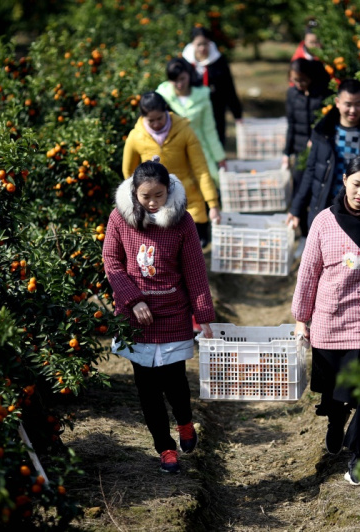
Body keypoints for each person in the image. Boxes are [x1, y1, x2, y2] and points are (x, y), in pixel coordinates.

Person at [291, 155, 360, 485]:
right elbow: (309, 273)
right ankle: (335, 420)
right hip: (331, 317)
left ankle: (358, 455)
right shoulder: (324, 222)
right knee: (337, 391)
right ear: (344, 181)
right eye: (356, 184)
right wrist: (302, 319)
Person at [103, 158, 216, 474]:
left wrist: (203, 314)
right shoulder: (120, 219)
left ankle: (185, 422)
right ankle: (165, 448)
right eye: (145, 197)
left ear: (169, 191)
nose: (152, 203)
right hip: (135, 319)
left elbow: (194, 270)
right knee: (147, 389)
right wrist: (133, 299)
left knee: (175, 381)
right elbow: (111, 263)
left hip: (173, 314)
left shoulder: (182, 222)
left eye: (159, 196)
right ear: (134, 193)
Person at [287, 79, 360, 230]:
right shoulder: (323, 132)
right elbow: (311, 171)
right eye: (348, 104)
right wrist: (296, 208)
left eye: (358, 104)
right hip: (326, 206)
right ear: (337, 102)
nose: (353, 110)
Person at [122, 91, 221, 248]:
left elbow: (201, 169)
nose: (156, 124)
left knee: (193, 251)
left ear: (166, 111)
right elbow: (129, 174)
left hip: (188, 201)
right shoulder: (135, 137)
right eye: (151, 121)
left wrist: (213, 204)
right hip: (154, 205)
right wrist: (138, 202)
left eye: (159, 118)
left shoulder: (184, 130)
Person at [284, 58, 332, 247]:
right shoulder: (292, 94)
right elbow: (291, 124)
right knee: (299, 191)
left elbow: (325, 120)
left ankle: (318, 236)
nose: (299, 84)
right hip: (300, 151)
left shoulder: (322, 94)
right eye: (295, 80)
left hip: (319, 151)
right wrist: (286, 153)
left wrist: (317, 136)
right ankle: (304, 235)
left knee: (317, 192)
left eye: (302, 80)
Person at [156, 58, 226, 186]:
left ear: (189, 74)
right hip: (174, 151)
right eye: (174, 80)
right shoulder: (162, 96)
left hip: (199, 148)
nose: (179, 84)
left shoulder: (202, 95)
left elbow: (209, 129)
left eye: (182, 79)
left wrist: (219, 157)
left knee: (209, 182)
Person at [182, 26, 243, 147]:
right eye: (199, 44)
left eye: (205, 44)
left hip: (215, 108)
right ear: (192, 44)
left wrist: (237, 112)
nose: (202, 48)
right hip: (193, 109)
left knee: (216, 140)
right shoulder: (185, 62)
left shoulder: (218, 61)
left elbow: (229, 87)